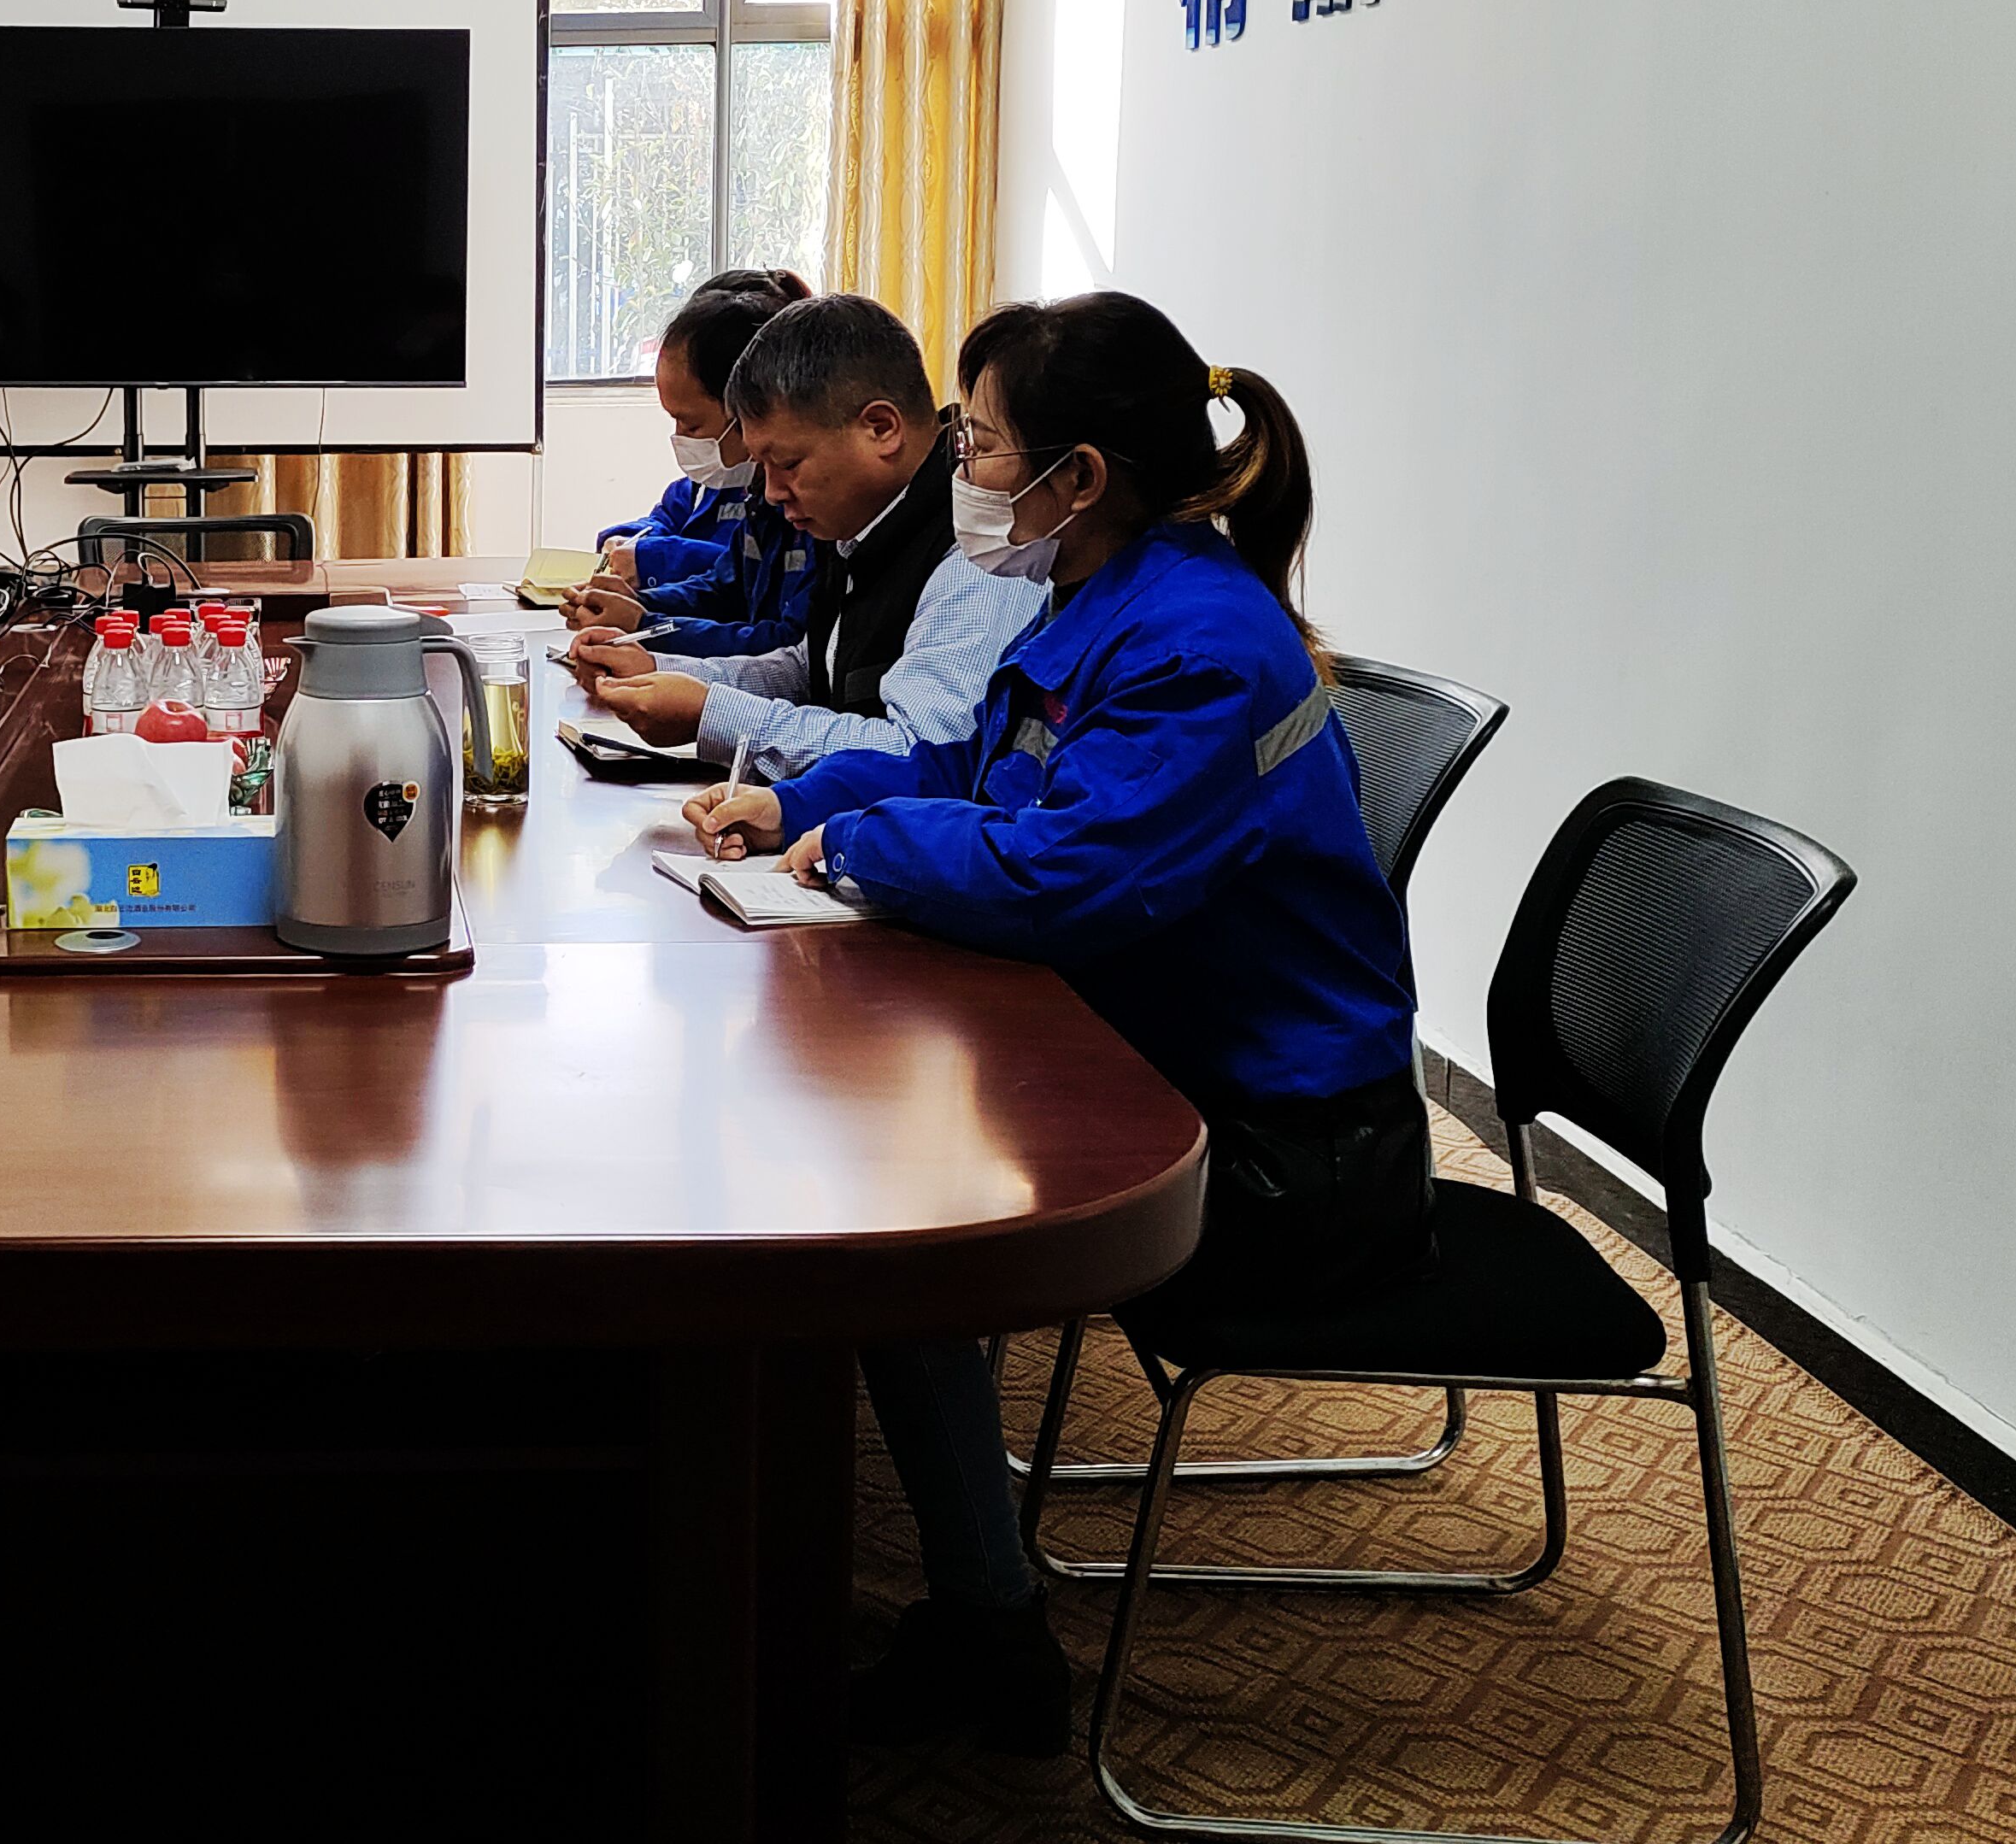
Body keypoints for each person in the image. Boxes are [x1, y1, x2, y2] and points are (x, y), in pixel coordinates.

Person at [685, 292, 1426, 1752]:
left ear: (1076, 476)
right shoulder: (1099, 593)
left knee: (886, 1228)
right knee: (849, 1146)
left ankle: (990, 1644)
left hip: (1285, 1155)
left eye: (977, 441)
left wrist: (854, 847)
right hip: (1168, 1053)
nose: (959, 465)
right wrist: (799, 800)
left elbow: (1060, 874)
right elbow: (977, 767)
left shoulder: (1196, 643)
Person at [570, 293, 1043, 777]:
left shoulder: (979, 554)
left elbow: (919, 756)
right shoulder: (865, 523)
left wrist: (711, 714)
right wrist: (662, 670)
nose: (772, 493)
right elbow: (811, 670)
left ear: (881, 428)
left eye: (788, 464)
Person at [566, 269, 814, 656]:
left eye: (692, 424)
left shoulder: (816, 504)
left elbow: (788, 649)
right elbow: (727, 587)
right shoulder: (755, 493)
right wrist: (637, 606)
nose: (680, 437)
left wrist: (645, 624)